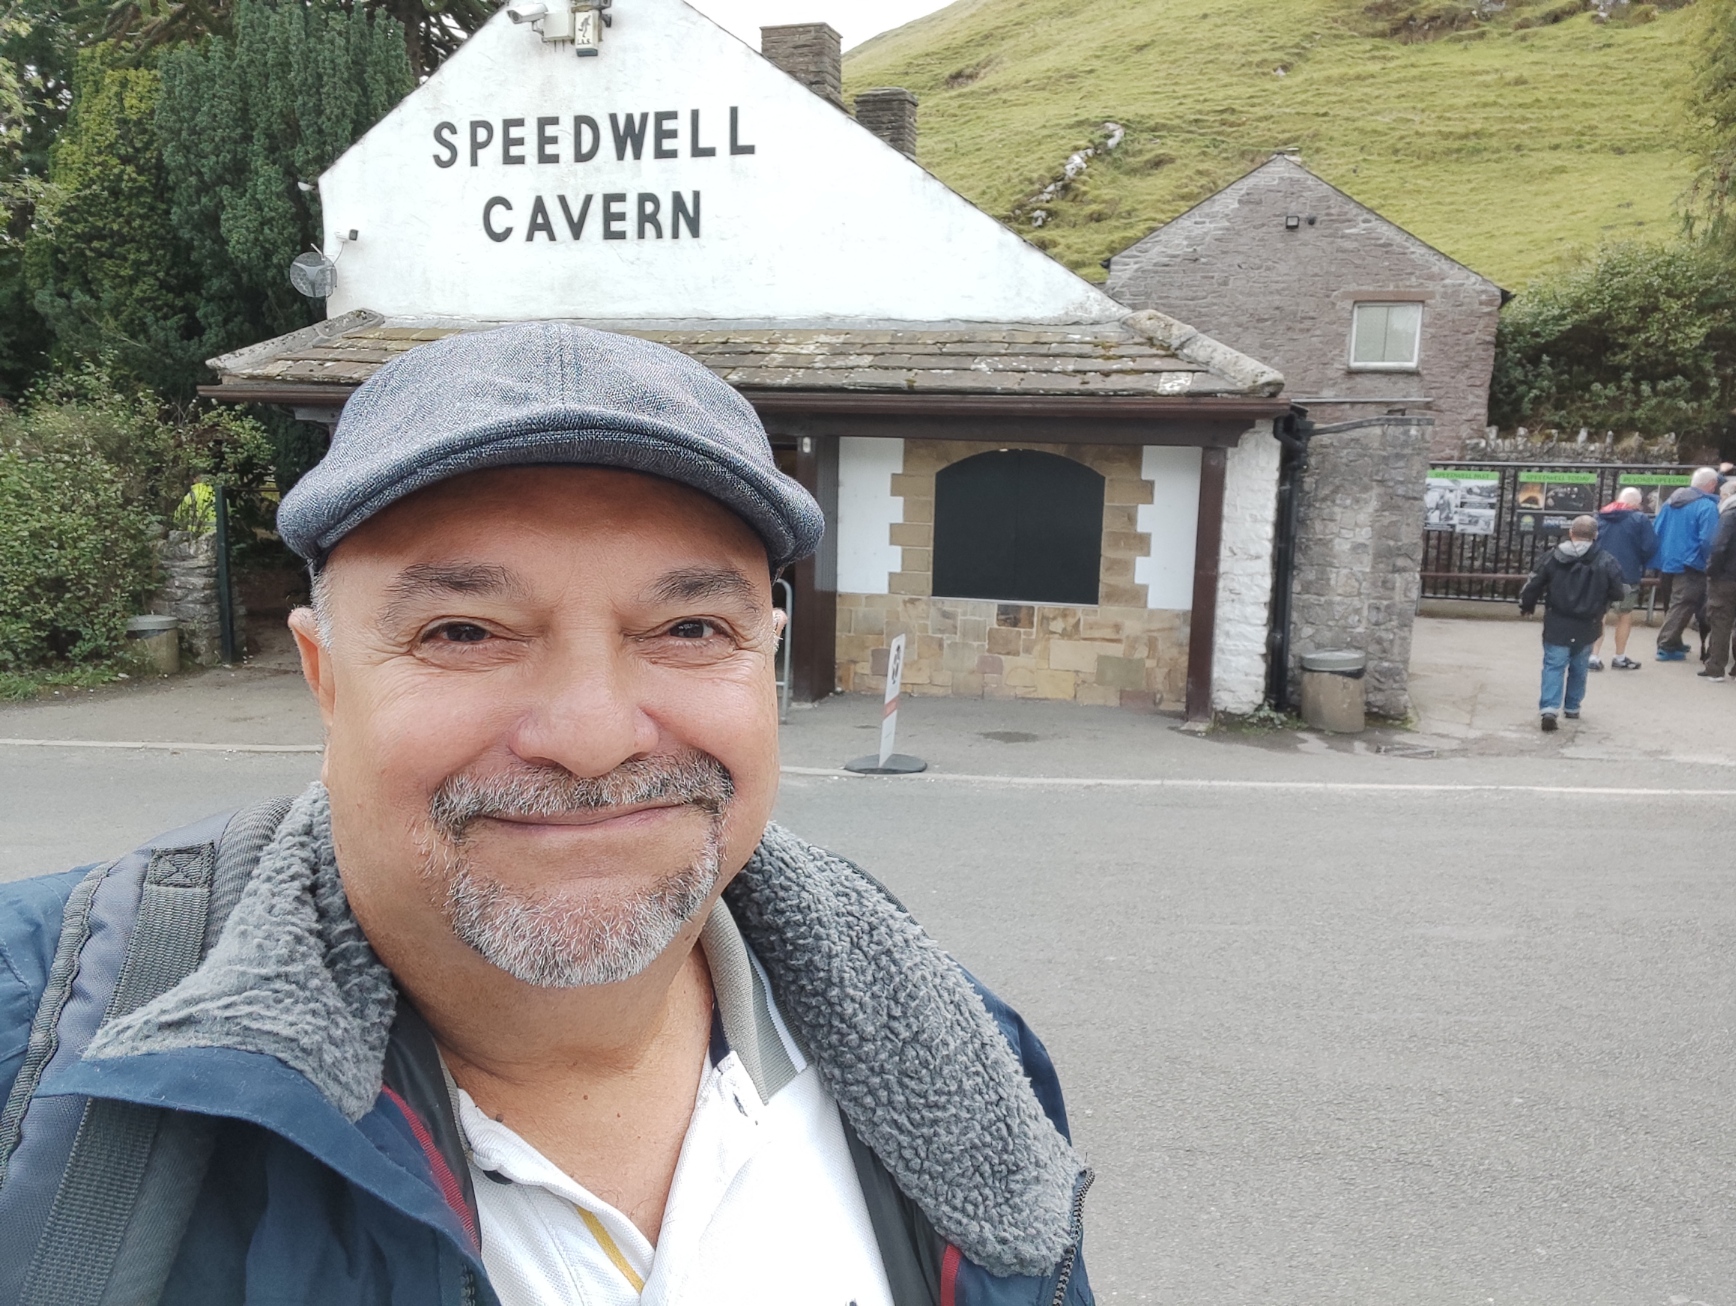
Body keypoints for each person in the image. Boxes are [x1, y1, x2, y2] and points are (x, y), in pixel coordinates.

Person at [0, 324, 1094, 1306]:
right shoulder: (28, 1043)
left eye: (690, 630)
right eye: (465, 632)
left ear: (763, 660)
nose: (592, 736)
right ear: (325, 677)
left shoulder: (965, 1058)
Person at [1519, 513, 1625, 732]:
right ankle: (1573, 706)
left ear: (1570, 532)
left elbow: (1534, 583)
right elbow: (1618, 591)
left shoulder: (1553, 556)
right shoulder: (1606, 560)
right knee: (1579, 666)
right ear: (1595, 535)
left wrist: (1527, 605)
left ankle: (1549, 708)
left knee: (1554, 665)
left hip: (1557, 620)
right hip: (1588, 622)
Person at [1653, 467, 1723, 660]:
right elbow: (1708, 540)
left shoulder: (1671, 502)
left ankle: (1674, 641)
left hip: (1667, 560)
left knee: (1673, 603)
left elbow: (1657, 529)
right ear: (1711, 485)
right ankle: (1666, 645)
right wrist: (1710, 562)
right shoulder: (1707, 506)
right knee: (1683, 604)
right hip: (1691, 563)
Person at [1590, 486, 1657, 670]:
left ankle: (1593, 656)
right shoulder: (1640, 519)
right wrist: (1639, 561)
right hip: (1627, 573)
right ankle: (1619, 657)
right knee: (1625, 615)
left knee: (1599, 615)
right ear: (1636, 503)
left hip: (1600, 572)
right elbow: (1649, 546)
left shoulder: (1599, 516)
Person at [1698, 480, 1736, 682]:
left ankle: (1716, 668)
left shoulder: (1730, 515)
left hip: (1726, 577)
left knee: (1720, 621)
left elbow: (1719, 546)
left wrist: (1711, 571)